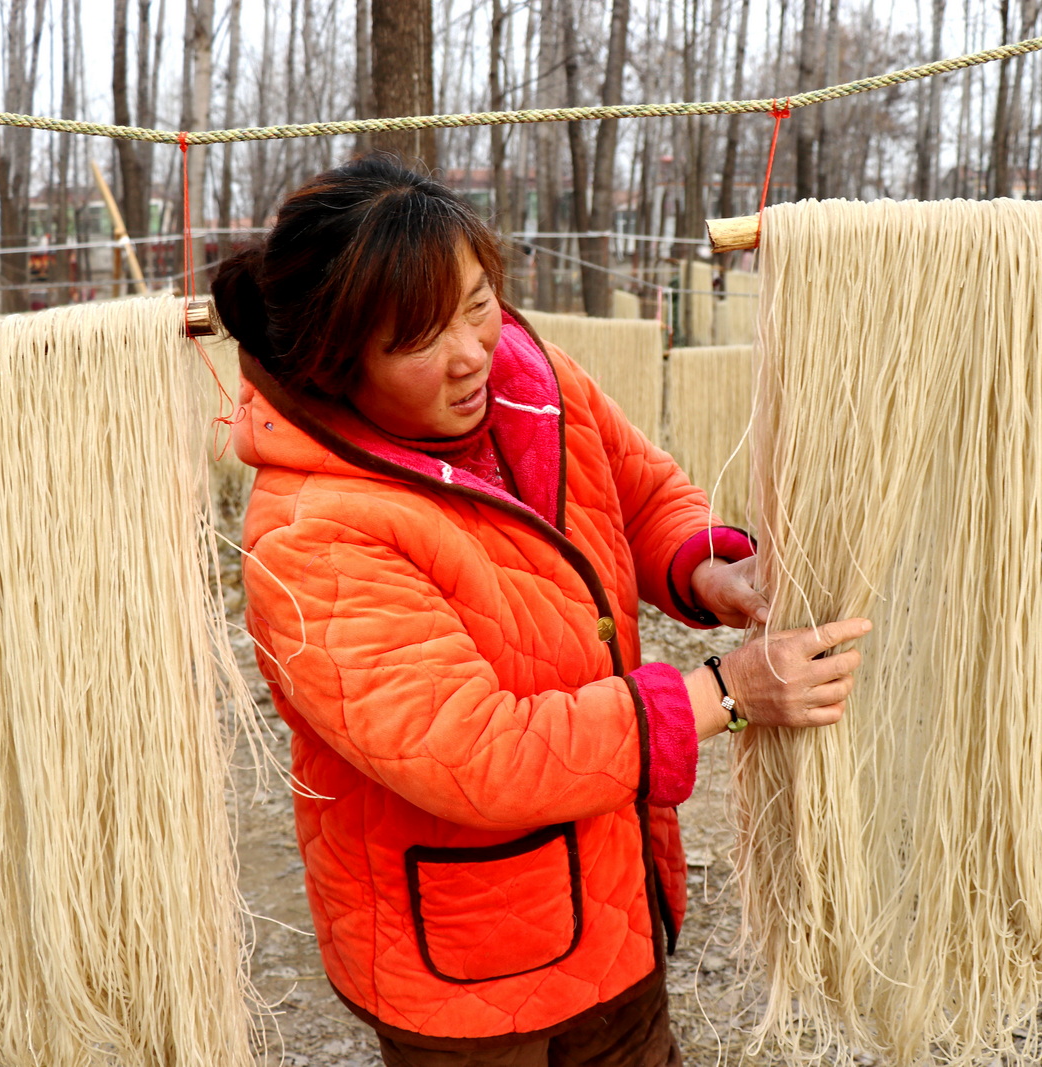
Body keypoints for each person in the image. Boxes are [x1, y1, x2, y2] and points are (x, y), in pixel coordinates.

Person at [211, 155, 869, 1067]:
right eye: (419, 336)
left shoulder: (531, 374)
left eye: (477, 302)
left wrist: (705, 566)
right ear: (334, 361)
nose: (472, 350)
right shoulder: (313, 535)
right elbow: (478, 753)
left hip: (615, 897)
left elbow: (639, 490)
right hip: (463, 971)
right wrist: (726, 693)